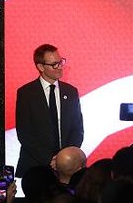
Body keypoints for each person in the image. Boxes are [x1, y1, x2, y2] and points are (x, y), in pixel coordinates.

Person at [15, 44, 84, 177]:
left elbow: (77, 129)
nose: (60, 67)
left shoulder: (71, 92)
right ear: (40, 67)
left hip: (68, 168)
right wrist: (51, 160)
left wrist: (65, 158)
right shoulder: (26, 93)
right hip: (37, 167)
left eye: (61, 62)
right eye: (54, 64)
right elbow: (25, 134)